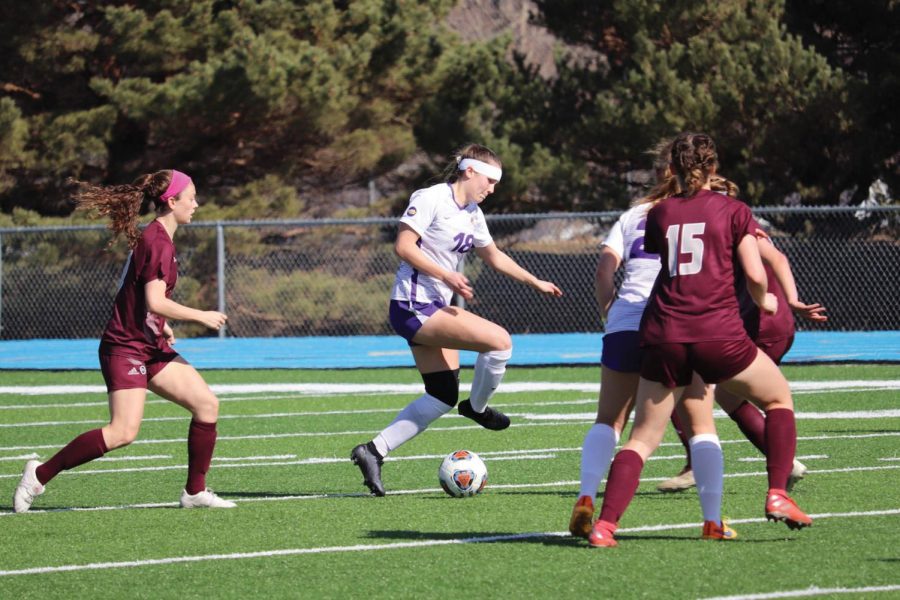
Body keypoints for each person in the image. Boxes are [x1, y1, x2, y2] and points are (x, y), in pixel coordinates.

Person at [588, 132, 813, 548]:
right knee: (778, 398)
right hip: (717, 333)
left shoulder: (659, 214)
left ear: (672, 167)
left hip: (664, 333)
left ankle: (605, 526)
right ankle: (777, 494)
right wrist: (766, 301)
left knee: (642, 437)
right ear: (713, 166)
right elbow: (756, 273)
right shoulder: (733, 209)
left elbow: (666, 261)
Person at [12, 169, 236, 512]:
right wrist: (200, 315)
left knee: (206, 405)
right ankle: (39, 474)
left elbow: (135, 295)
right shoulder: (158, 241)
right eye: (191, 197)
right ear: (172, 201)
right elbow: (155, 301)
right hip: (125, 348)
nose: (196, 203)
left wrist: (159, 326)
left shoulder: (160, 238)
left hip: (149, 345)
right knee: (122, 432)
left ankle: (195, 492)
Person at [350, 144, 563, 496]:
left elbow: (493, 256)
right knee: (500, 341)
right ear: (469, 171)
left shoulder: (472, 211)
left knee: (441, 395)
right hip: (413, 305)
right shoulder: (432, 197)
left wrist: (534, 281)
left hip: (433, 305)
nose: (493, 188)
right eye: (490, 179)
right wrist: (446, 276)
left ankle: (372, 451)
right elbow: (404, 246)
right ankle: (477, 408)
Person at [569, 142, 736, 542]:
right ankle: (712, 519)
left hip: (626, 321)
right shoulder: (707, 210)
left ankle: (587, 496)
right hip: (678, 324)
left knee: (608, 419)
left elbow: (604, 268)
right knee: (700, 423)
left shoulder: (632, 216)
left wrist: (610, 310)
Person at [657, 218, 828, 492]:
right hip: (751, 323)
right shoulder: (718, 225)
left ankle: (774, 468)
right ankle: (781, 464)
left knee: (702, 386)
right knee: (722, 394)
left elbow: (777, 259)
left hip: (764, 324)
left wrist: (792, 300)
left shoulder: (736, 224)